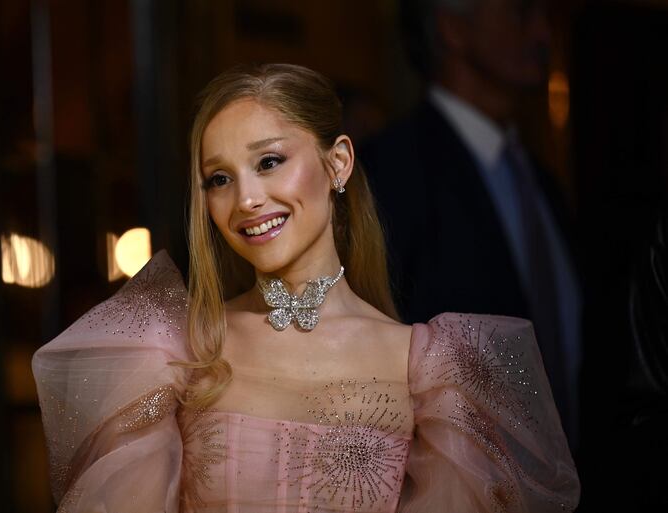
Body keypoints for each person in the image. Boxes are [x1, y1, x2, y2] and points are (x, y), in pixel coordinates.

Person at [32, 63, 579, 512]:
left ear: (337, 162)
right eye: (219, 179)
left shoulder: (432, 370)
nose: (246, 199)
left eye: (269, 162)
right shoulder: (173, 351)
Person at [360, 0, 582, 448]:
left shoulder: (543, 183)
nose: (543, 36)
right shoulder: (390, 174)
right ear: (453, 29)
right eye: (521, 13)